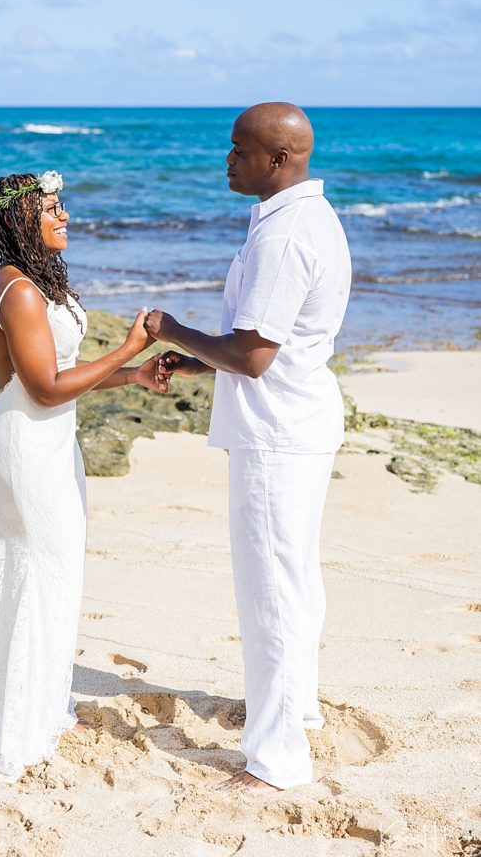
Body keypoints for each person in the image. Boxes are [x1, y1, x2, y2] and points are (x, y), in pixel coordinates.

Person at [144, 103, 352, 793]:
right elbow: (266, 343)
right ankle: (299, 712)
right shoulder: (300, 219)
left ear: (276, 160)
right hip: (294, 421)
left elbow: (254, 354)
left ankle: (276, 759)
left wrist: (170, 329)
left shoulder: (285, 235)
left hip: (276, 433)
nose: (226, 160)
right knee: (292, 580)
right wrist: (209, 362)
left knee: (269, 592)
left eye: (237, 150)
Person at [0, 169, 166, 783]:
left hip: (45, 438)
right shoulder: (16, 290)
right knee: (38, 571)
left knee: (36, 570)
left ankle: (24, 700)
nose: (63, 216)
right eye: (50, 208)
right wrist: (127, 350)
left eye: (62, 206)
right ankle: (13, 720)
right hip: (27, 441)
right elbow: (42, 389)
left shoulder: (26, 280)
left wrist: (133, 377)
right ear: (19, 220)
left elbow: (58, 373)